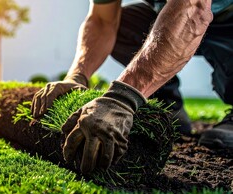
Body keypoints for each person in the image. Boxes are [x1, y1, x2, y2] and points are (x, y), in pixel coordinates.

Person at [30, 0, 233, 175]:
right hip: (183, 13)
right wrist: (77, 76)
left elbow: (193, 10)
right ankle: (165, 108)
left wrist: (122, 97)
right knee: (125, 24)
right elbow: (102, 21)